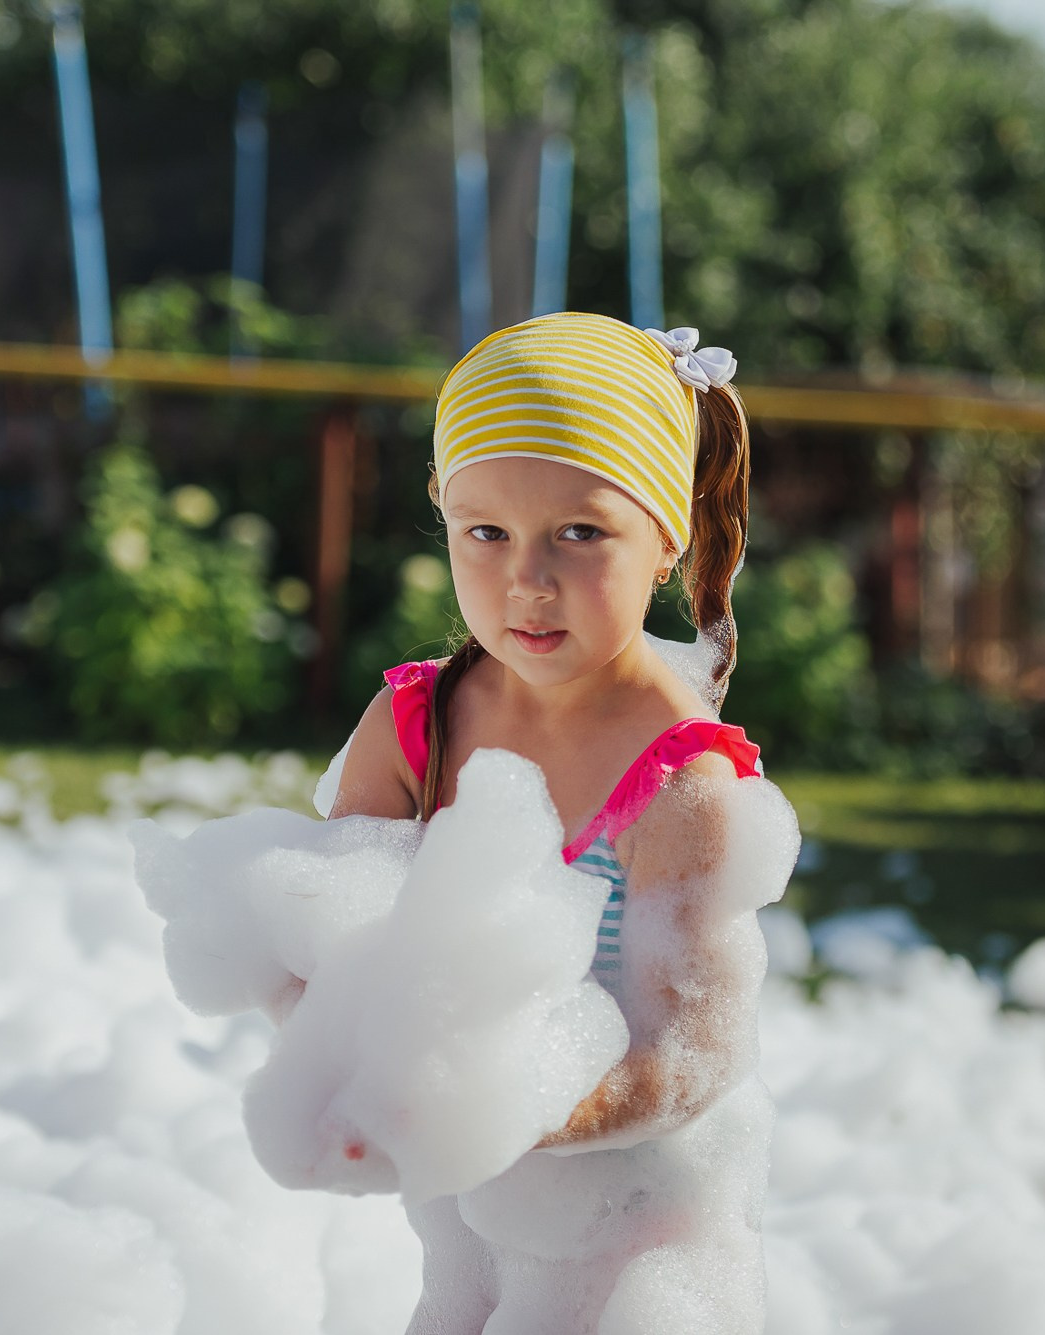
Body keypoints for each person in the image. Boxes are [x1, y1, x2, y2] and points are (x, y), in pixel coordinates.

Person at [327, 311, 778, 1334]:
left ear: (663, 537)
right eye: (485, 532)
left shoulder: (681, 784)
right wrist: (351, 1079)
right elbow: (324, 942)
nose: (526, 580)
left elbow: (691, 1057)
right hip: (471, 1217)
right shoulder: (416, 726)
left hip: (632, 1232)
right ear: (443, 520)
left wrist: (513, 1111)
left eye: (579, 533)